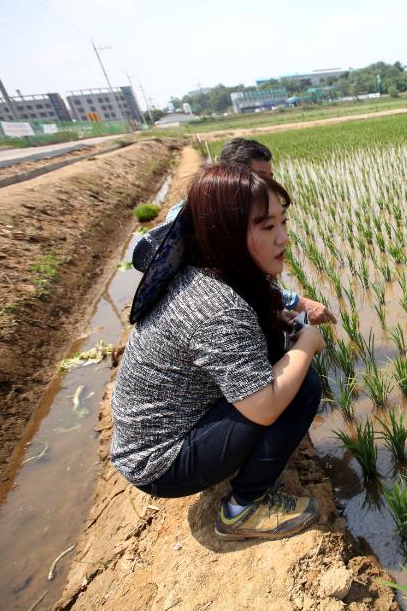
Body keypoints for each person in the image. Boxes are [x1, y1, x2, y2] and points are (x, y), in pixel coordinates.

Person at [112, 164, 327, 541]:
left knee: (278, 344)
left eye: (283, 223)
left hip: (168, 430)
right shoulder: (218, 307)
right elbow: (265, 405)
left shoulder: (210, 272)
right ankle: (242, 508)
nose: (284, 239)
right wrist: (307, 345)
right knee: (302, 383)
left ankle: (243, 464)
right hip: (160, 463)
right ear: (225, 235)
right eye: (266, 227)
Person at [132, 137, 335, 324]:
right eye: (259, 177)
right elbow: (235, 283)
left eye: (270, 177)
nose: (267, 186)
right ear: (235, 177)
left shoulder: (240, 218)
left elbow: (246, 281)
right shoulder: (201, 224)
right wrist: (303, 335)